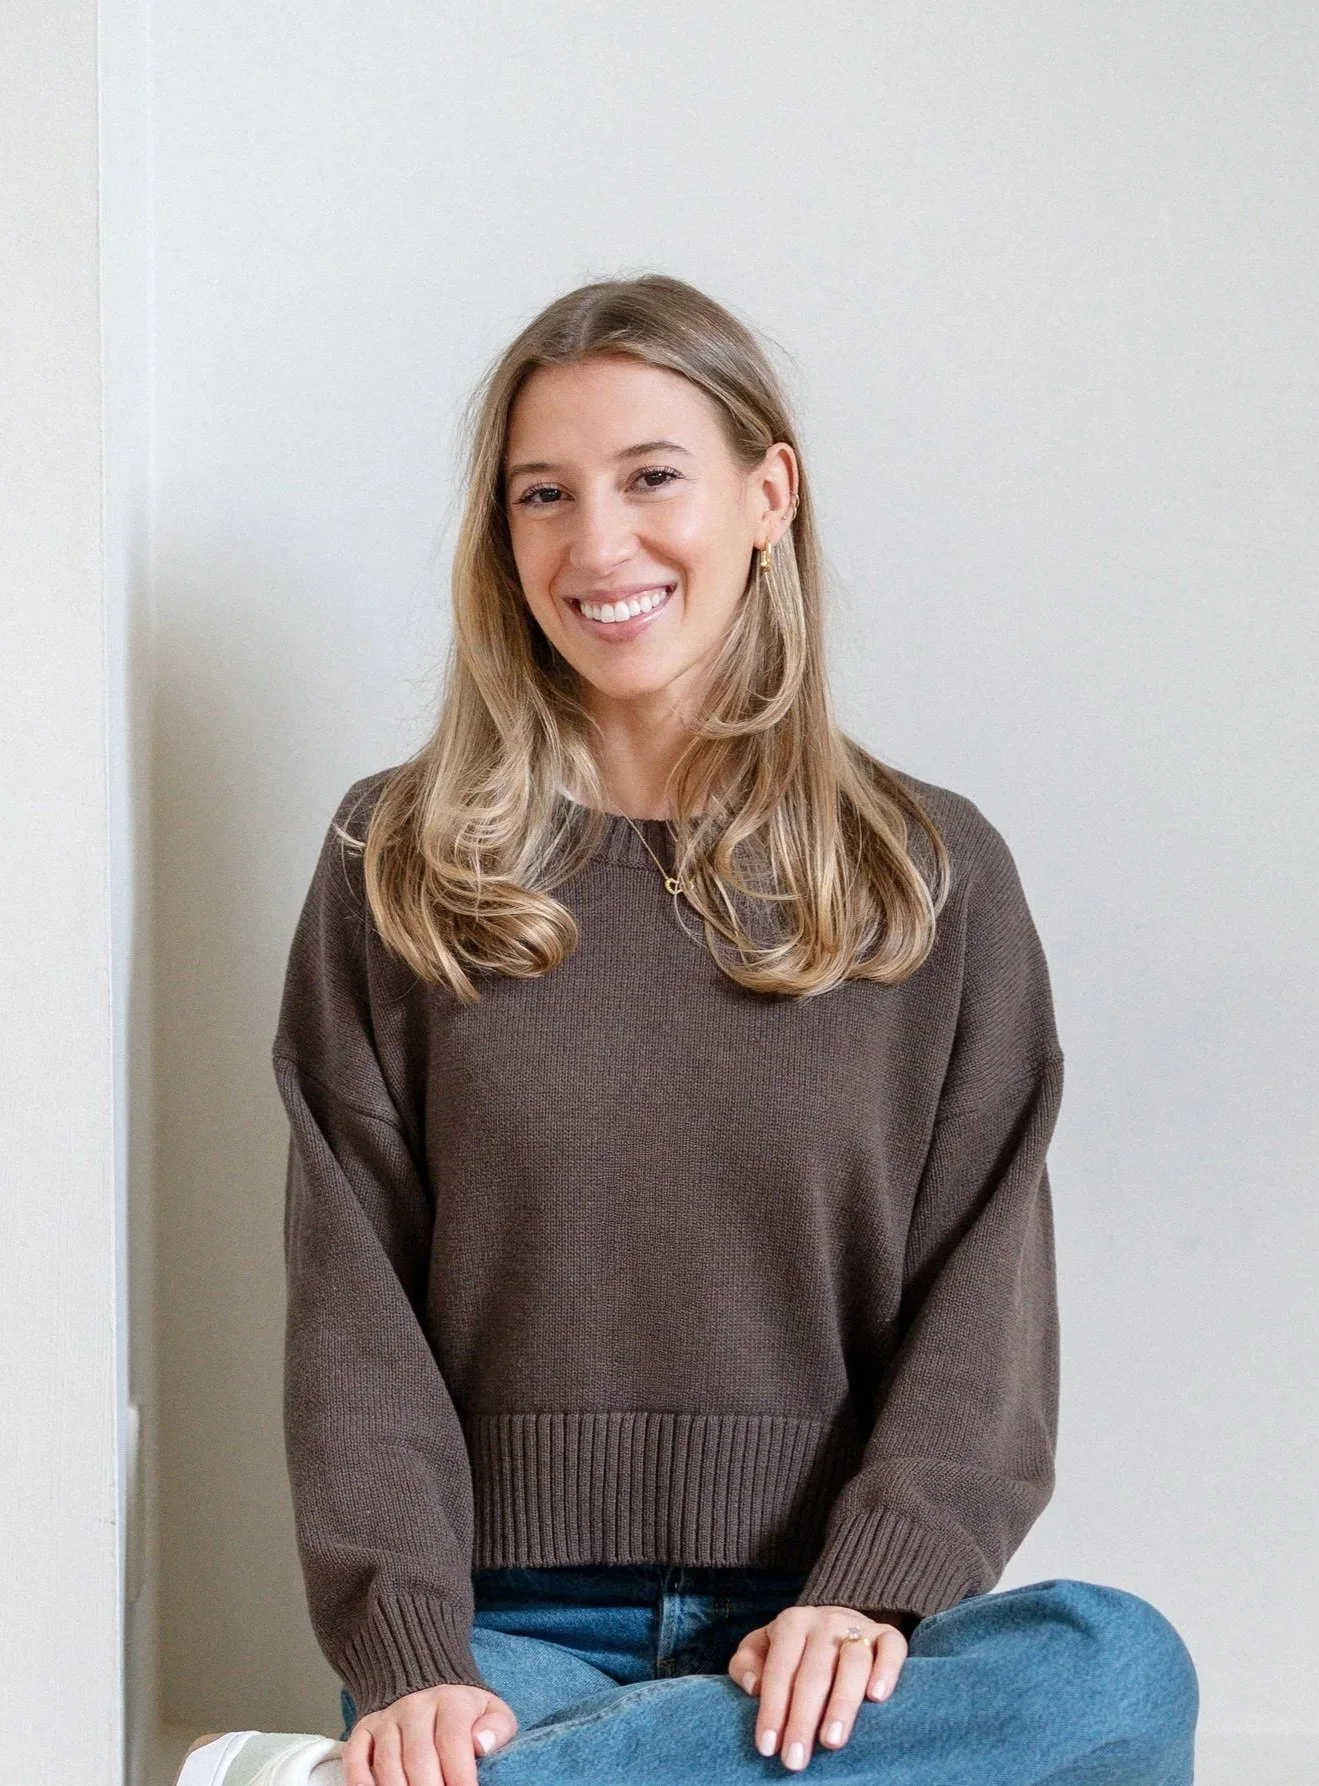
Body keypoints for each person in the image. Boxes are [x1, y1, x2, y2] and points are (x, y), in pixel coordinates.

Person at [177, 274, 1198, 1786]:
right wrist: (407, 1655)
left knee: (1117, 1666)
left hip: (828, 1632)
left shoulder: (935, 875)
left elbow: (986, 1294)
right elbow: (352, 1309)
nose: (598, 546)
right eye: (544, 495)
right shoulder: (393, 860)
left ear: (767, 491)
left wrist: (873, 1584)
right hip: (506, 1637)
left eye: (652, 476)